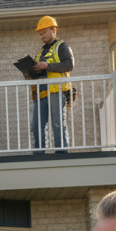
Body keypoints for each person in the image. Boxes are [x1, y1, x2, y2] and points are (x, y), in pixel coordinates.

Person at [29, 15, 74, 152]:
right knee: (37, 125)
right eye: (40, 34)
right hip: (41, 91)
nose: (42, 36)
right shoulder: (42, 51)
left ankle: (62, 153)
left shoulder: (61, 46)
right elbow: (40, 70)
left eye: (44, 32)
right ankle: (40, 154)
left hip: (56, 90)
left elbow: (69, 65)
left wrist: (46, 66)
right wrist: (31, 71)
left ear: (54, 30)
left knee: (58, 123)